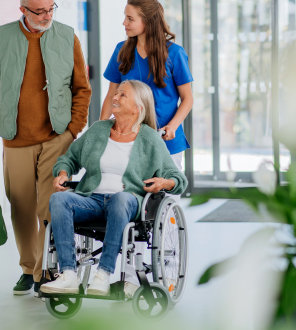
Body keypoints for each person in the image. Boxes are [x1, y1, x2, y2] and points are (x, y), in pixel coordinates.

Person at [0, 0, 91, 296]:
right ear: (23, 10)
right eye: (39, 11)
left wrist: (73, 129)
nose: (46, 16)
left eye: (51, 8)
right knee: (21, 207)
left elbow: (82, 88)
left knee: (50, 207)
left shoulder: (67, 37)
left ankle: (47, 270)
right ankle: (29, 268)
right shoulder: (3, 38)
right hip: (16, 139)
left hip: (57, 137)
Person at [40, 80, 187, 296]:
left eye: (122, 95)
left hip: (127, 202)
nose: (115, 98)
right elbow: (69, 158)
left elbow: (178, 179)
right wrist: (62, 173)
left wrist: (164, 183)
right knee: (58, 200)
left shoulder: (150, 139)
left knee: (120, 198)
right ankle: (69, 274)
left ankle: (103, 275)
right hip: (92, 200)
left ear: (137, 108)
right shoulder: (99, 130)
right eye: (116, 94)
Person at [101, 0, 194, 172]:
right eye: (125, 17)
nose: (124, 23)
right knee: (130, 195)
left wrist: (172, 126)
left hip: (165, 139)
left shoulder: (174, 53)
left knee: (166, 194)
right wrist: (101, 128)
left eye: (130, 19)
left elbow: (187, 98)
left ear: (148, 21)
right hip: (127, 140)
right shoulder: (121, 51)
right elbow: (111, 95)